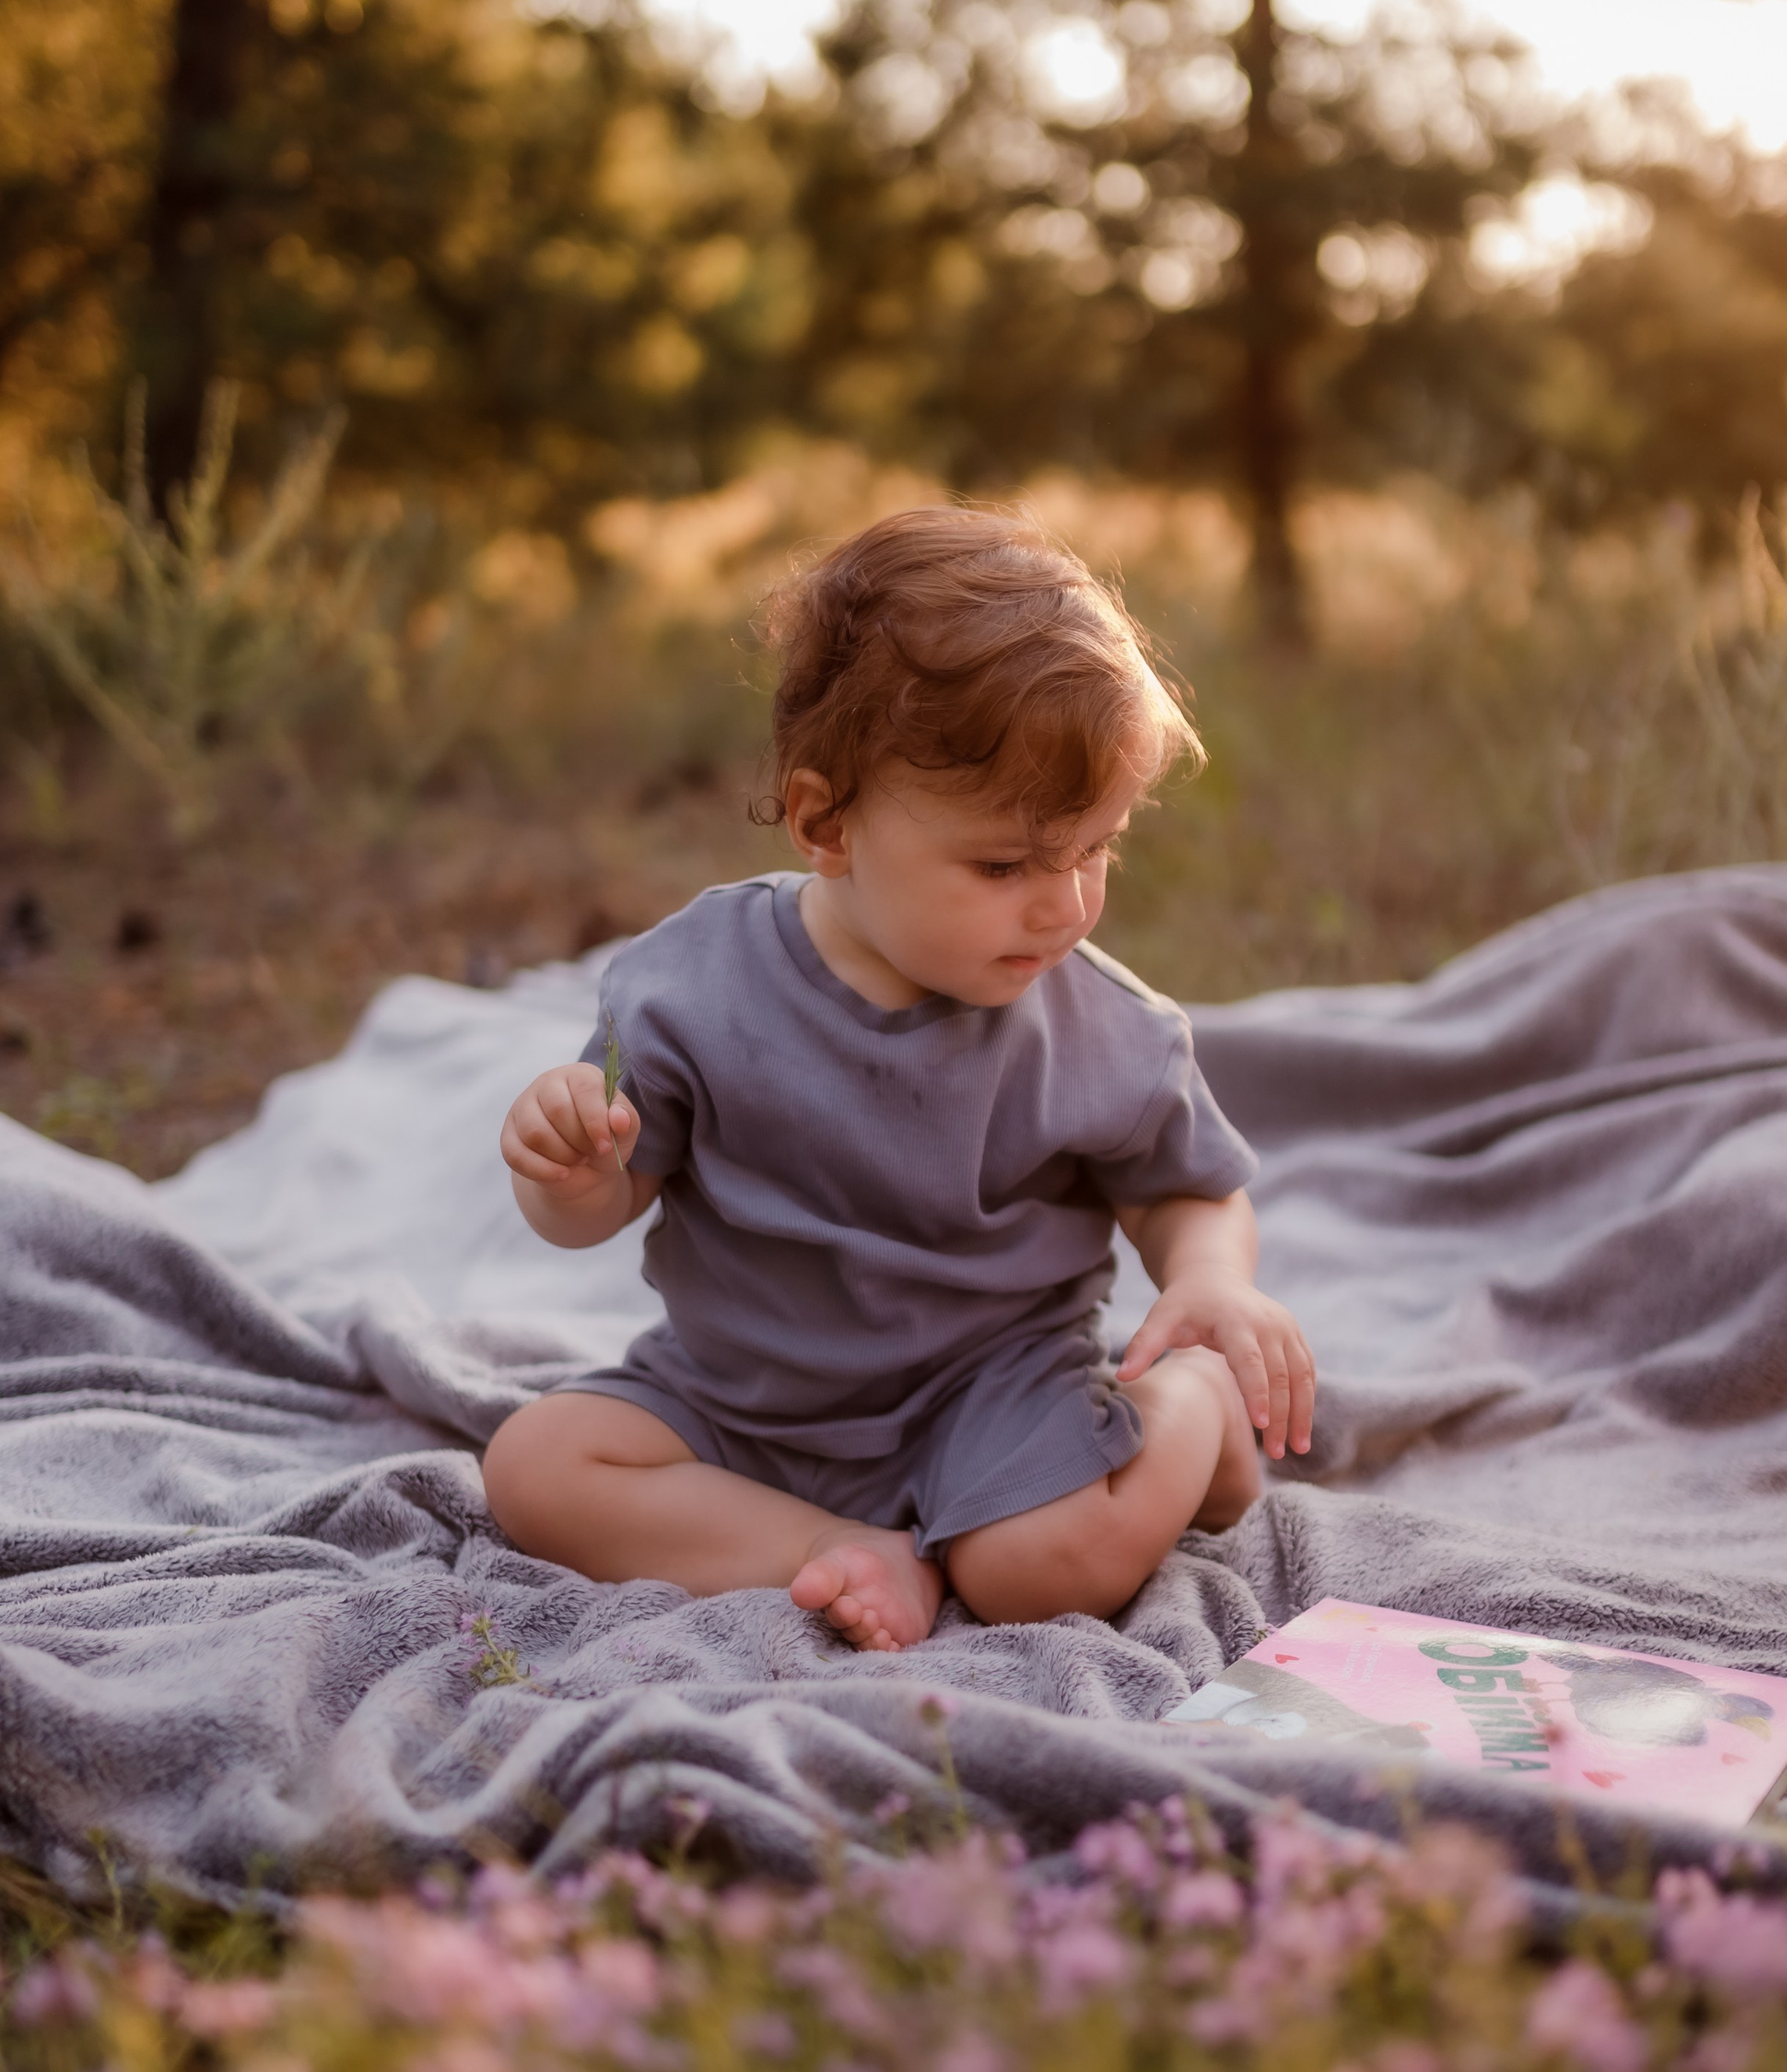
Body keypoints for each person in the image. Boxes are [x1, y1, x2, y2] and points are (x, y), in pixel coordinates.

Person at [483, 506, 1316, 1652]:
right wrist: (565, 1165)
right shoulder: (685, 987)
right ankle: (831, 1545)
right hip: (751, 1394)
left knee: (1036, 1569)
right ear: (829, 824)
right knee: (533, 1469)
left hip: (998, 1395)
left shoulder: (1103, 1026)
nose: (1064, 903)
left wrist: (1213, 1283)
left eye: (1096, 850)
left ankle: (1191, 1409)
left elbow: (1187, 1185)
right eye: (1006, 863)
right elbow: (599, 1199)